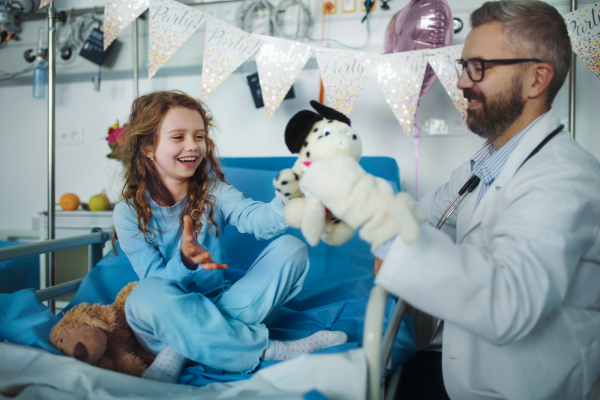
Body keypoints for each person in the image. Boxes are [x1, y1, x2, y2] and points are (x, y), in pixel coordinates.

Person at [298, 1, 600, 399]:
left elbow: (506, 302)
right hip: (462, 373)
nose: (460, 83)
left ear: (536, 79)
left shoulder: (564, 178)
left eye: (479, 67)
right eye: (463, 66)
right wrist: (339, 200)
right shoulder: (482, 165)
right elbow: (420, 215)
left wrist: (379, 220)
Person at [112, 90, 347, 383]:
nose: (192, 146)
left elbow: (260, 222)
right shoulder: (127, 212)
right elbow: (156, 282)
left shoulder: (214, 192)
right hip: (165, 322)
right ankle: (270, 350)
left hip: (222, 306)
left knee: (292, 248)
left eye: (199, 136)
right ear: (148, 147)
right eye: (178, 137)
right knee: (142, 295)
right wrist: (184, 260)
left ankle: (182, 350)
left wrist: (290, 194)